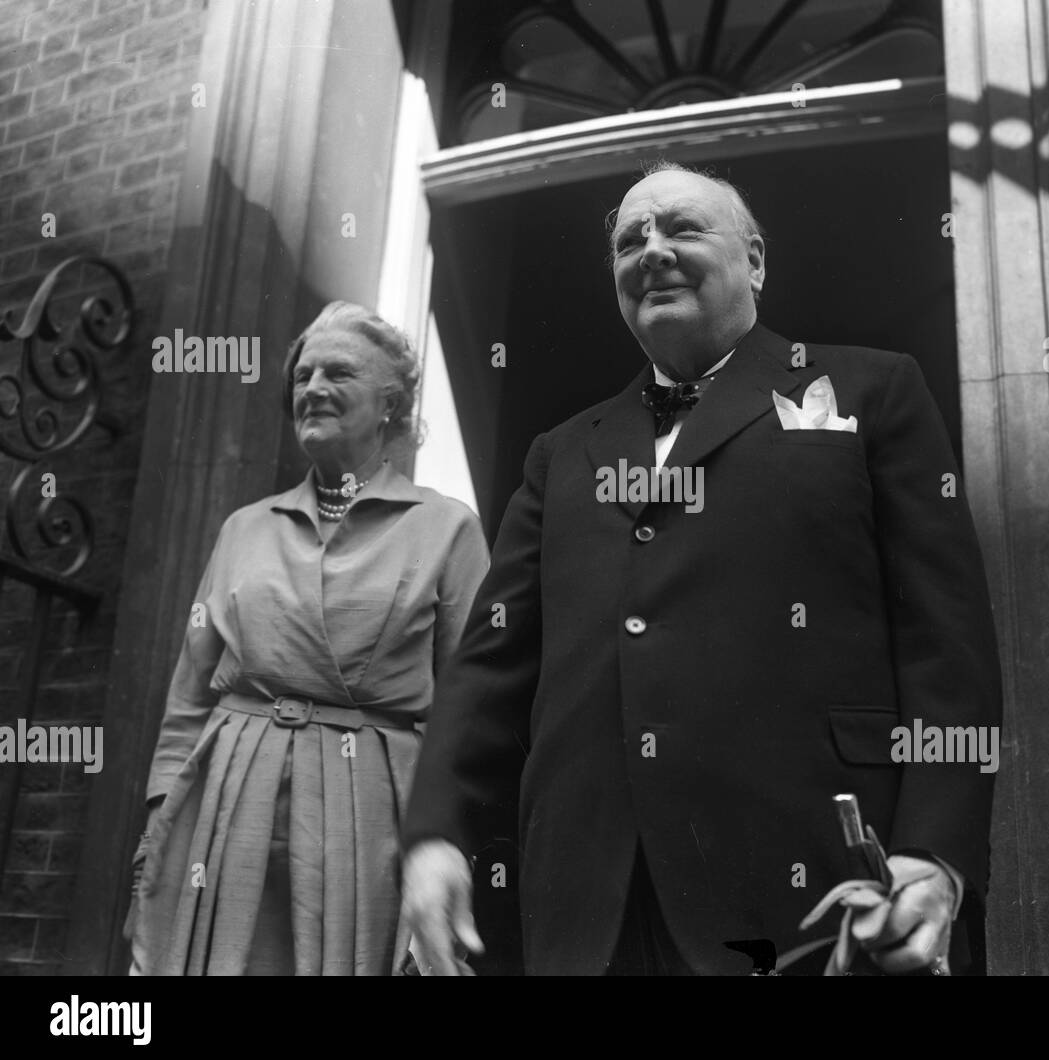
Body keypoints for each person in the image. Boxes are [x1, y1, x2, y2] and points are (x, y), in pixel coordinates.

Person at [401, 161, 1002, 976]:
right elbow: (488, 665)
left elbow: (947, 645)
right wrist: (436, 832)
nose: (651, 250)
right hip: (590, 903)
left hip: (822, 891)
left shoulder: (875, 389)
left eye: (681, 228)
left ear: (754, 261)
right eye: (629, 239)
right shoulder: (561, 453)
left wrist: (934, 849)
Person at [125, 301, 489, 975]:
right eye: (303, 374)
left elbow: (469, 714)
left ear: (391, 403)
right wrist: (160, 822)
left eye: (339, 371)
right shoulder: (245, 528)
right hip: (229, 797)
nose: (314, 386)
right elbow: (189, 694)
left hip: (370, 808)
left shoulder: (448, 529)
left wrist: (446, 842)